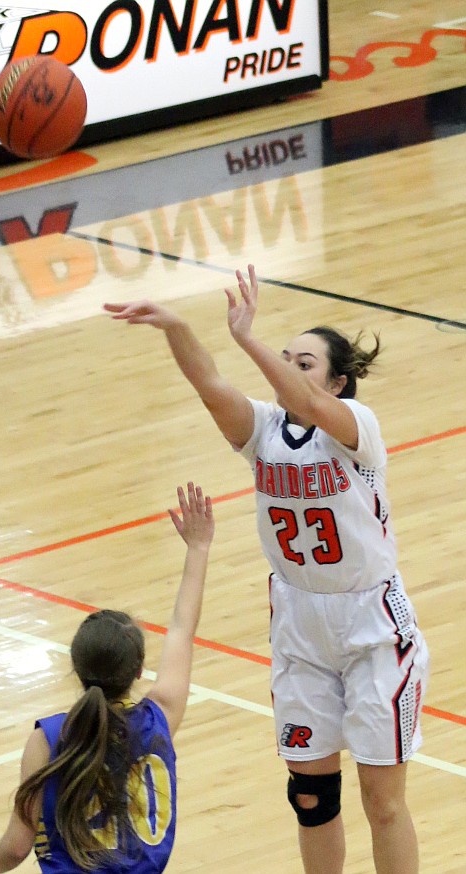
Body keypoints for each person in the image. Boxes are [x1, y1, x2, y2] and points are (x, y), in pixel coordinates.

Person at [104, 264, 429, 874]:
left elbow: (301, 398)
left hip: (372, 627)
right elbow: (209, 384)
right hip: (300, 624)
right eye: (286, 357)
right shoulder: (265, 433)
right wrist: (175, 326)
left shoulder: (360, 429)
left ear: (337, 383)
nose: (289, 369)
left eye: (303, 362)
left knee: (381, 801)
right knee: (311, 798)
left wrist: (247, 339)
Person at [0, 481, 214, 874]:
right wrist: (198, 550)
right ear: (137, 671)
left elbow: (16, 846)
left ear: (76, 667)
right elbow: (183, 627)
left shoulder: (47, 739)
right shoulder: (160, 718)